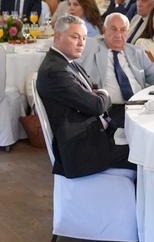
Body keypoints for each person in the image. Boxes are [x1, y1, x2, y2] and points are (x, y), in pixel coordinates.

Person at [35, 15, 132, 178]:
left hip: (91, 136)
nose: (81, 43)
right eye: (75, 37)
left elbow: (93, 88)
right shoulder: (56, 71)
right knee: (144, 154)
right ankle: (142, 203)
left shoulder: (67, 62)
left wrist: (97, 95)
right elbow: (97, 105)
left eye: (84, 38)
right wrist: (105, 93)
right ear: (57, 36)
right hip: (82, 152)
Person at [79, 13, 154, 117]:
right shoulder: (91, 46)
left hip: (139, 106)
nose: (118, 34)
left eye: (123, 30)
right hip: (109, 109)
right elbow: (71, 66)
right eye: (113, 29)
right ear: (104, 30)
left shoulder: (136, 52)